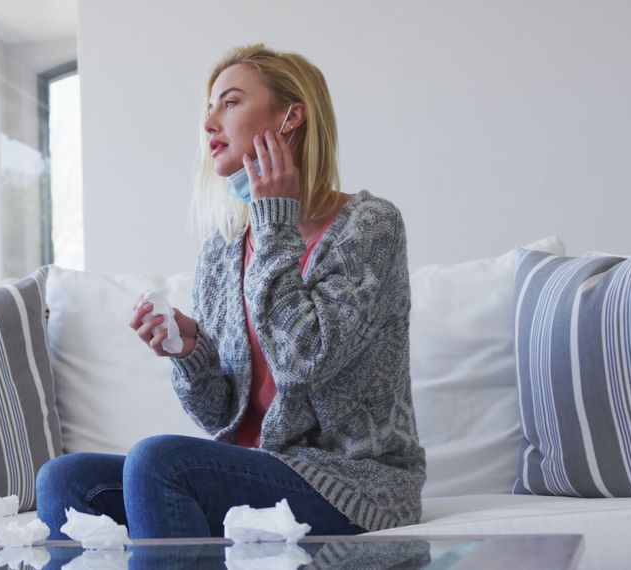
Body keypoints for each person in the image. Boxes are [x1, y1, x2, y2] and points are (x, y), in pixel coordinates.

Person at [36, 43, 425, 539]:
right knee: (66, 480)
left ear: (291, 117)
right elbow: (221, 415)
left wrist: (274, 223)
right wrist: (192, 350)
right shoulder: (222, 250)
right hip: (256, 469)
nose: (209, 124)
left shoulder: (370, 227)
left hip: (353, 484)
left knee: (161, 461)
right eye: (208, 108)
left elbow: (305, 357)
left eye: (230, 102)